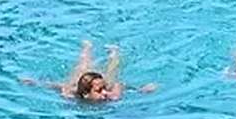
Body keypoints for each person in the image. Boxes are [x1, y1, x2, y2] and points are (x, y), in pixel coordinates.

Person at [22, 40, 157, 102]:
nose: (105, 93)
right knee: (82, 66)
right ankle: (87, 47)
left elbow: (120, 85)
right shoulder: (71, 95)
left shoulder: (112, 95)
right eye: (99, 91)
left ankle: (114, 52)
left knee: (112, 71)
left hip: (90, 82)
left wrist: (141, 90)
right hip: (80, 84)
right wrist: (35, 83)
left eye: (103, 89)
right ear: (86, 94)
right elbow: (57, 86)